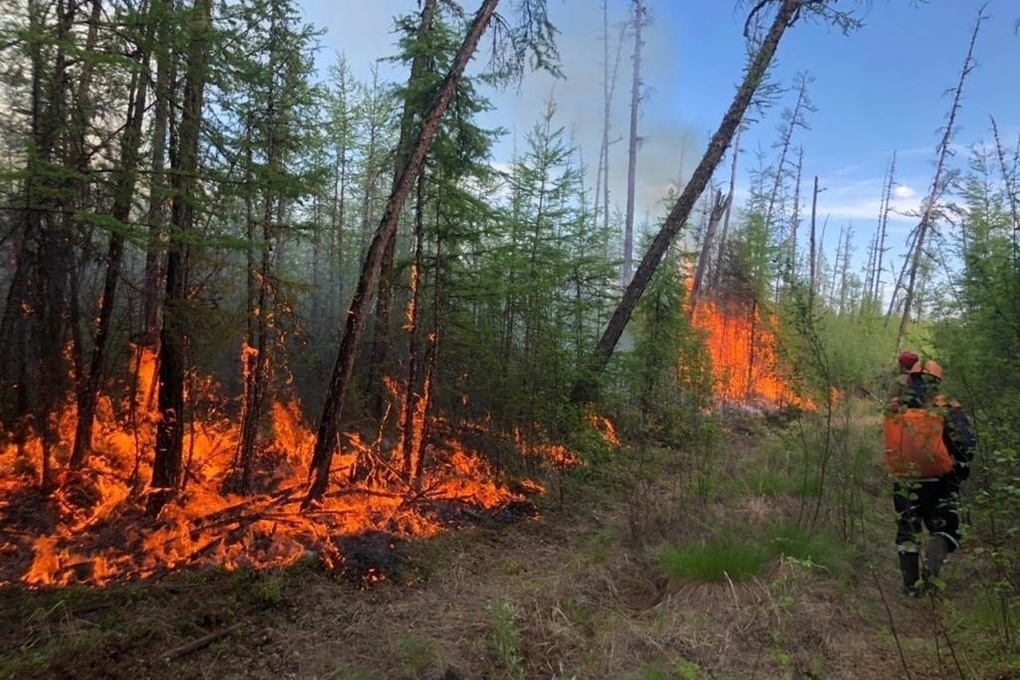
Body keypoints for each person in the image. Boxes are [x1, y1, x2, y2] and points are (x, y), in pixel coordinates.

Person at [883, 359, 977, 596]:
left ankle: (910, 587)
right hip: (940, 480)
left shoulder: (895, 407)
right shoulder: (946, 406)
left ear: (911, 379)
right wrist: (960, 469)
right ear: (937, 381)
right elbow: (966, 442)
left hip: (904, 479)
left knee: (907, 531)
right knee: (946, 527)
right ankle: (931, 567)